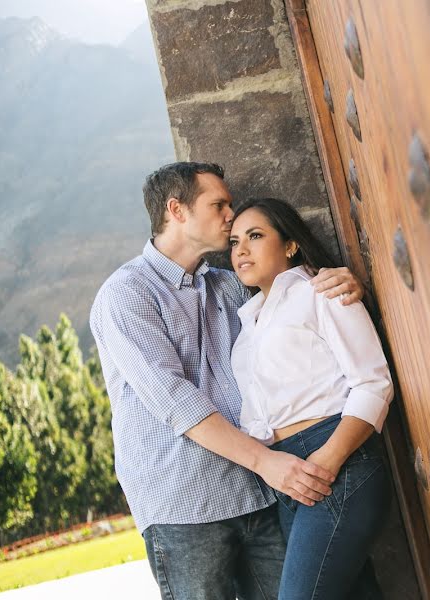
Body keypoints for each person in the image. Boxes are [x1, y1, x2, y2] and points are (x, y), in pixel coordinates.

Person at [89, 162, 364, 600]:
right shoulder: (126, 294)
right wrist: (266, 462)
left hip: (258, 493)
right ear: (176, 210)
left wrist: (340, 282)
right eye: (219, 204)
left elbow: (296, 307)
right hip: (184, 504)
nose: (230, 215)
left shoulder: (229, 286)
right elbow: (176, 401)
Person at [227, 198, 393, 599]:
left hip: (337, 460)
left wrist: (328, 459)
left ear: (290, 245)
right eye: (233, 242)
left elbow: (373, 383)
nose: (241, 250)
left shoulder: (321, 290)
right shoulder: (249, 322)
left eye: (255, 236)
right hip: (286, 474)